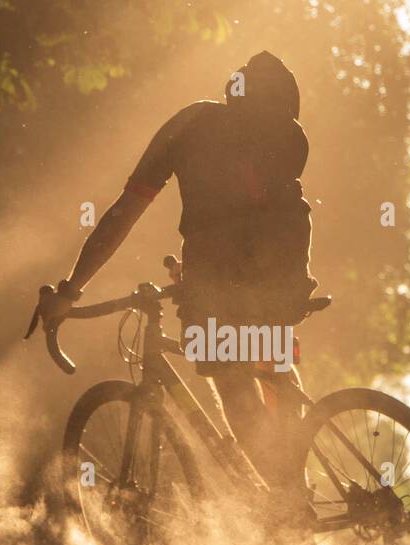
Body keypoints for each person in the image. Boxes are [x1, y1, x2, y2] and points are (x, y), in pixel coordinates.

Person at [36, 51, 319, 486]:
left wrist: (71, 290)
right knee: (268, 354)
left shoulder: (192, 125)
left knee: (232, 378)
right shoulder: (289, 140)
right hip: (283, 276)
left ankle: (285, 502)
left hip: (220, 284)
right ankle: (294, 484)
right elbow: (258, 217)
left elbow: (125, 211)